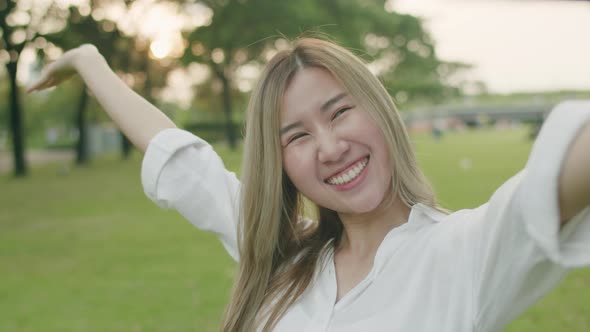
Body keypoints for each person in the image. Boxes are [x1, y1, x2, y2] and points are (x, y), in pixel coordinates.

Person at [28, 38, 590, 332]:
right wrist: (90, 62)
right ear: (282, 165)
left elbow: (559, 176)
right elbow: (180, 160)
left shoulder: (466, 253)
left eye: (341, 111)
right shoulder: (281, 254)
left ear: (380, 110)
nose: (328, 147)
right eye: (296, 136)